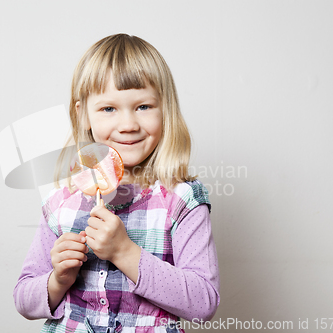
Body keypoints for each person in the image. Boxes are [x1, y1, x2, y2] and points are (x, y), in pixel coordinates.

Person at [14, 33, 220, 333]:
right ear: (83, 113)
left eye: (144, 106)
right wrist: (58, 279)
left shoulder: (181, 201)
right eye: (108, 108)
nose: (128, 125)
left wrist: (124, 251)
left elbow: (204, 303)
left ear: (166, 109)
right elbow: (23, 300)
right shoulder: (61, 202)